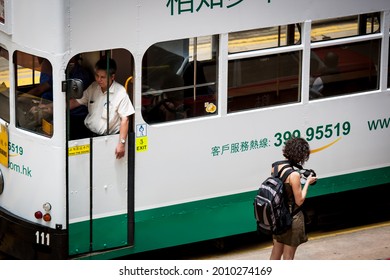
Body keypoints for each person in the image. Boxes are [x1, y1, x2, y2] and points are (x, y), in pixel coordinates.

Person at [69, 57, 135, 159]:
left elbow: (125, 120)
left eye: (102, 77)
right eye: (97, 76)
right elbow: (76, 102)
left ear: (112, 77)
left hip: (107, 140)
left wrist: (121, 144)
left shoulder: (120, 93)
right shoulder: (93, 87)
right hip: (88, 135)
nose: (98, 79)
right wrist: (51, 108)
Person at [269, 137, 317, 260]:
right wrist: (307, 183)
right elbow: (299, 200)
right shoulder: (294, 175)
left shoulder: (275, 167)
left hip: (278, 217)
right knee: (288, 257)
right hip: (292, 219)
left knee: (275, 253)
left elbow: (282, 187)